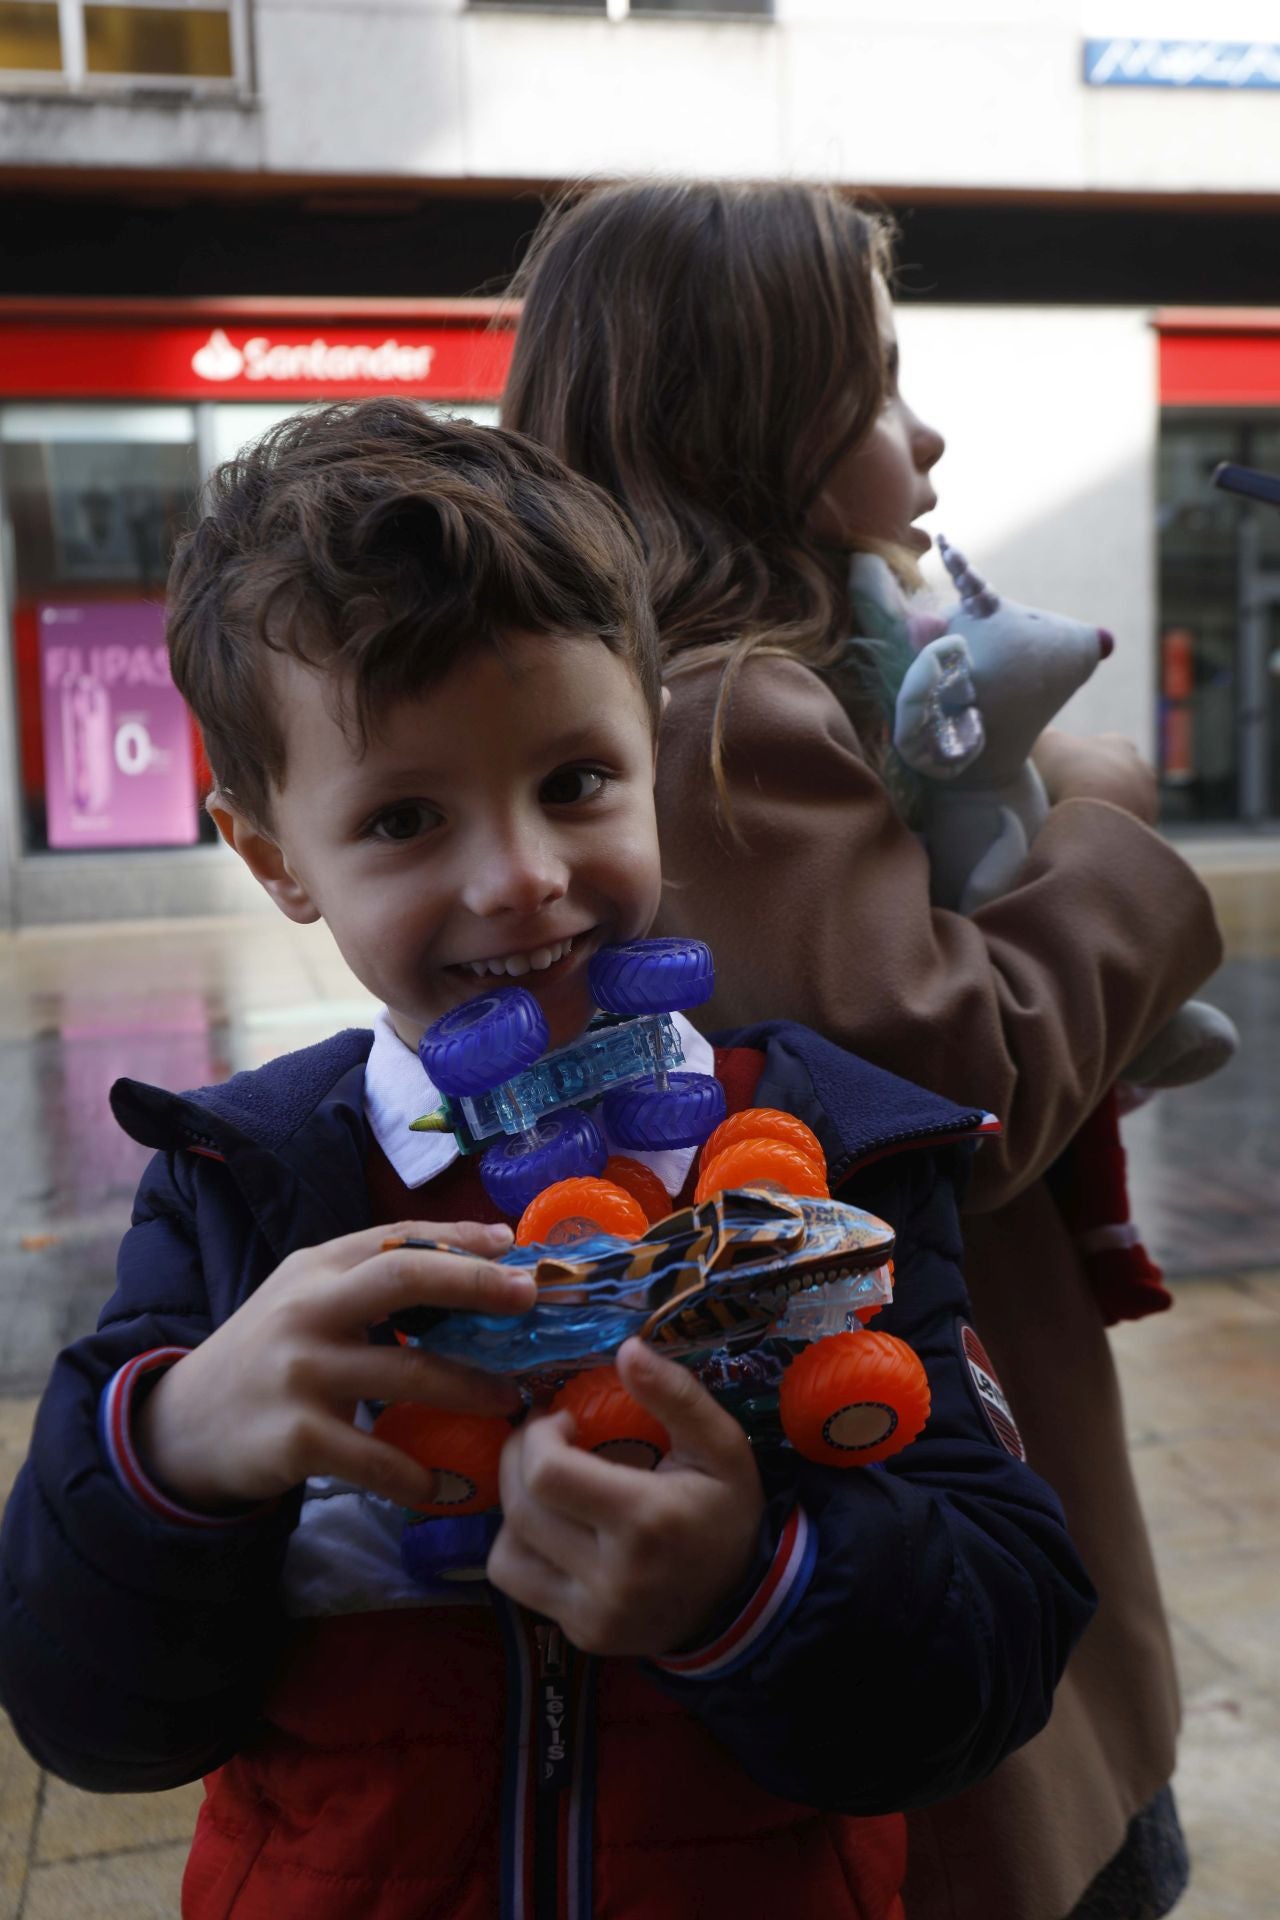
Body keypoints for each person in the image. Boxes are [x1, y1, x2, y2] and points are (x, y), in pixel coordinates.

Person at [0, 401, 1094, 1920]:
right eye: (401, 817)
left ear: (650, 755)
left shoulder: (838, 1157)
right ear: (273, 858)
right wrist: (175, 1446)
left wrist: (747, 1589)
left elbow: (997, 1656)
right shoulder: (243, 1189)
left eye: (575, 781)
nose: (519, 878)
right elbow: (89, 1719)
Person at [502, 180, 1227, 1920]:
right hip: (906, 1459)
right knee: (1055, 1843)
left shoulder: (718, 682)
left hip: (897, 1449)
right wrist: (1107, 833)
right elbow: (955, 1095)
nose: (929, 429)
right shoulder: (726, 714)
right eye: (876, 384)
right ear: (748, 416)